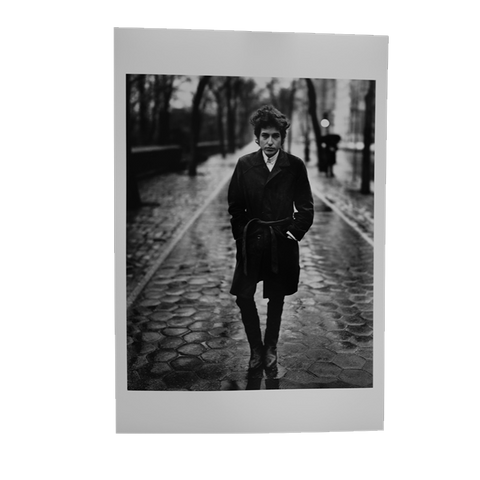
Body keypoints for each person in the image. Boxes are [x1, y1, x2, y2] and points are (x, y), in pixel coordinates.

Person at [227, 105, 314, 370]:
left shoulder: (294, 166)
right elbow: (235, 206)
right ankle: (256, 348)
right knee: (243, 295)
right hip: (252, 242)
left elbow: (306, 206)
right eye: (265, 135)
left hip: (281, 242)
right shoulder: (245, 165)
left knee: (277, 296)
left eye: (275, 136)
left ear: (282, 138)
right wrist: (243, 235)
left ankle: (271, 346)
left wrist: (293, 233)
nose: (270, 141)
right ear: (257, 137)